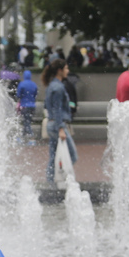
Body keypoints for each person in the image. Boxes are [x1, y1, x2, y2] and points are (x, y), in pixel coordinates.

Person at [42, 58, 77, 187]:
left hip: (52, 124)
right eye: (66, 68)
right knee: (72, 155)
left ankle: (50, 183)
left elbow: (48, 106)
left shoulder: (52, 86)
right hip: (57, 125)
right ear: (59, 70)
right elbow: (57, 109)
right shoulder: (58, 87)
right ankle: (63, 180)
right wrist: (61, 128)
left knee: (53, 156)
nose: (68, 71)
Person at [16, 69, 38, 142]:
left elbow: (18, 94)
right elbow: (35, 94)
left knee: (26, 122)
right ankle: (23, 136)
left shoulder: (22, 84)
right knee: (27, 121)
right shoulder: (34, 84)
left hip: (24, 105)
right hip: (32, 105)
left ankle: (31, 137)